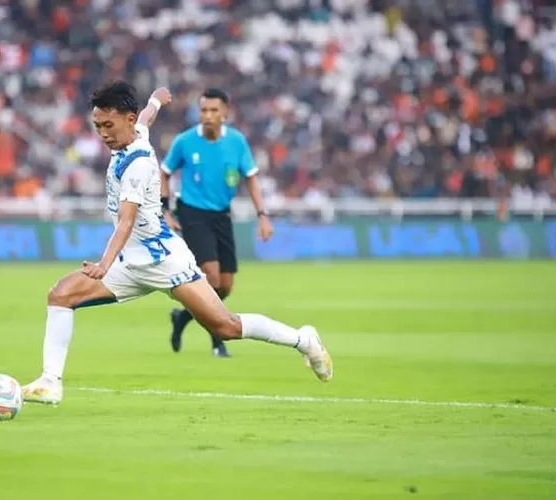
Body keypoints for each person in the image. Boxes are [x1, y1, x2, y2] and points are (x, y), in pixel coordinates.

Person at [21, 81, 332, 405]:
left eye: (108, 125)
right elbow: (147, 116)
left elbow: (126, 222)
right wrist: (157, 98)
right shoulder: (135, 132)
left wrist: (103, 265)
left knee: (225, 326)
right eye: (98, 126)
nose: (102, 133)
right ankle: (49, 382)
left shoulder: (138, 164)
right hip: (131, 264)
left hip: (165, 261)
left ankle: (303, 340)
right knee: (61, 295)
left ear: (126, 120)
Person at [160, 88, 273, 357]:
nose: (208, 115)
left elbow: (251, 179)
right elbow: (163, 173)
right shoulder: (185, 142)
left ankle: (182, 318)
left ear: (225, 113)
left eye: (213, 110)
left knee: (224, 286)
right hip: (192, 214)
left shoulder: (236, 142)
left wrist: (263, 216)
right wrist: (165, 211)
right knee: (209, 277)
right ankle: (217, 339)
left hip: (222, 215)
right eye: (203, 110)